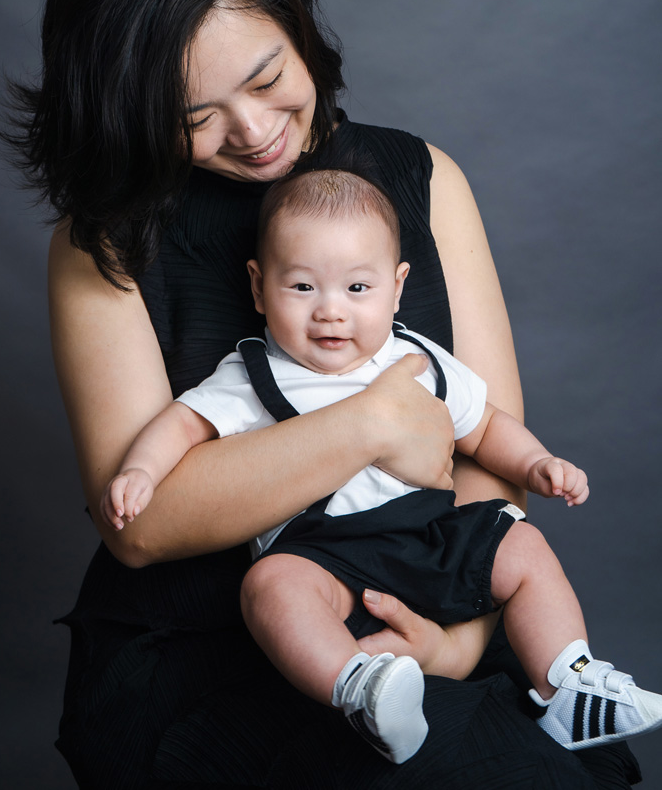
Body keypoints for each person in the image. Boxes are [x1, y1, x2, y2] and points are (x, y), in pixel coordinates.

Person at [2, 0, 642, 787]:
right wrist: (369, 424)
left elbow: (486, 458)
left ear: (299, 27)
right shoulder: (100, 244)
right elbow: (146, 525)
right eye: (194, 117)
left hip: (436, 606)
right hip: (213, 646)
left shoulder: (423, 177)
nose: (255, 132)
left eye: (266, 80)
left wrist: (453, 644)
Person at [100, 167, 662, 764]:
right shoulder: (252, 373)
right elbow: (183, 423)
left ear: (397, 289)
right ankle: (359, 688)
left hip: (427, 533)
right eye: (303, 288)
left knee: (519, 545)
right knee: (271, 587)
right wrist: (141, 471)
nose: (331, 313)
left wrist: (536, 463)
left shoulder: (419, 360)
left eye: (357, 289)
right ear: (260, 287)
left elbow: (486, 425)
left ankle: (567, 685)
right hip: (323, 550)